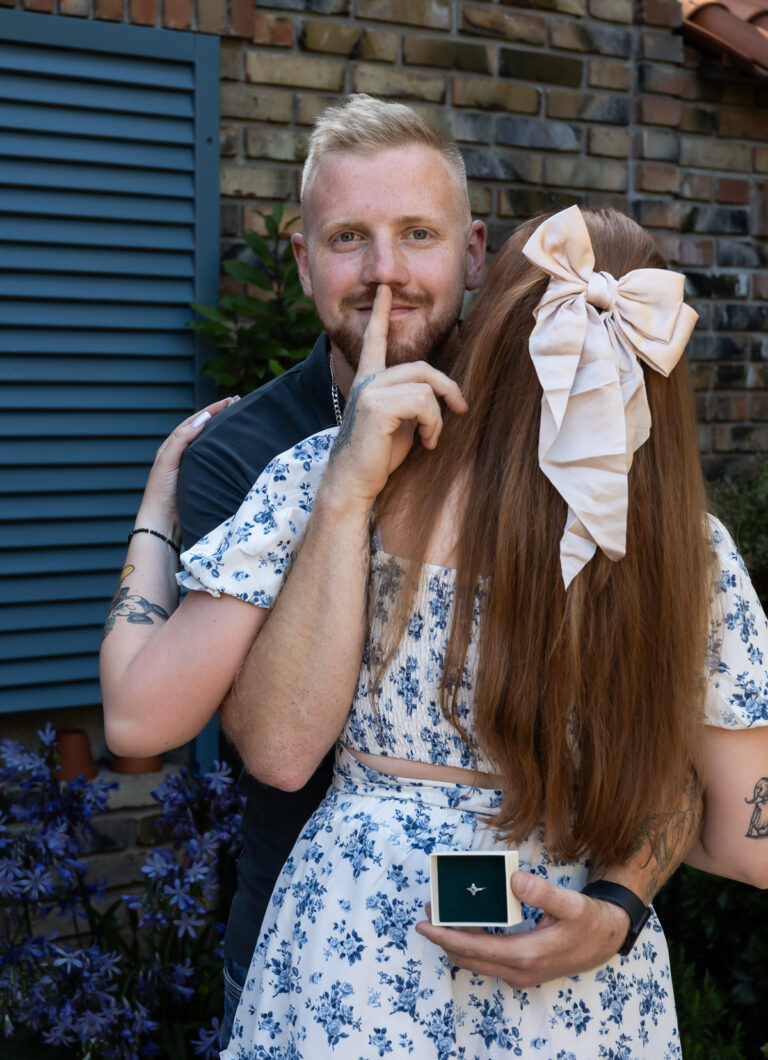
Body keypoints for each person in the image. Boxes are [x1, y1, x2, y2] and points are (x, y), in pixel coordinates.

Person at [101, 201, 768, 1056]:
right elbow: (746, 842)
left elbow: (230, 739)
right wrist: (619, 899)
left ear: (491, 316)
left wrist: (164, 518)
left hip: (356, 955)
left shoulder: (332, 475)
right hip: (575, 975)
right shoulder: (690, 555)